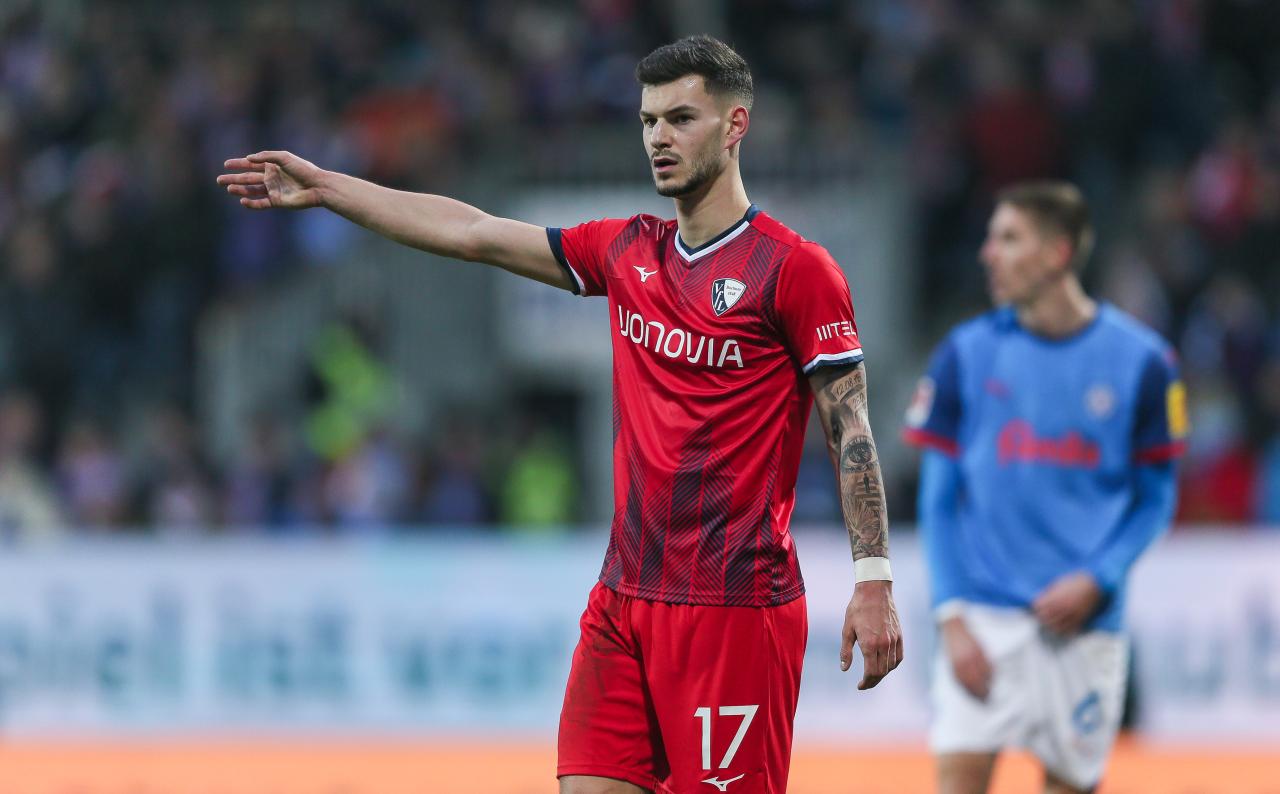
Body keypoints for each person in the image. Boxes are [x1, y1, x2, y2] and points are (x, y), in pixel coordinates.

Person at [219, 35, 902, 794]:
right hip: (623, 600)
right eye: (648, 121)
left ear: (735, 125)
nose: (659, 138)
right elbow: (473, 232)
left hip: (733, 608)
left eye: (681, 119)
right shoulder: (627, 251)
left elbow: (851, 427)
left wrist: (872, 579)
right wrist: (328, 188)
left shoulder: (794, 270)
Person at [903, 181, 1185, 794]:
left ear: (1058, 253)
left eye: (1008, 239)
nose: (988, 254)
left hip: (1083, 628)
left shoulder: (1145, 364)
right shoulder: (963, 355)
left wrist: (1099, 578)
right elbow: (938, 502)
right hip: (982, 620)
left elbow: (1157, 496)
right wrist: (951, 616)